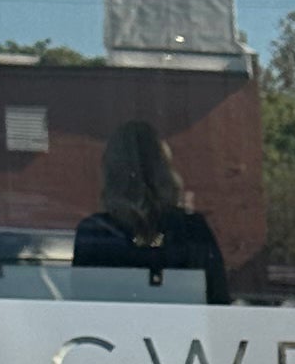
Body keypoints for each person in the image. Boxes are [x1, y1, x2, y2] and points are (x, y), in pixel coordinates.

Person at [74, 115, 231, 300]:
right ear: (164, 172)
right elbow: (217, 301)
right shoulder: (192, 231)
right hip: (185, 328)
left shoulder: (94, 233)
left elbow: (83, 308)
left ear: (111, 174)